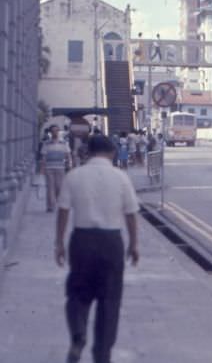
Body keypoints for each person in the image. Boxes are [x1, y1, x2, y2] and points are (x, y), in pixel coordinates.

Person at [55, 134, 139, 363]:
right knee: (109, 301)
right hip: (111, 243)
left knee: (77, 293)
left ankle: (78, 332)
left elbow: (63, 210)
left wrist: (58, 244)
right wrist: (134, 244)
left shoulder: (74, 176)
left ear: (88, 152)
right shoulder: (121, 178)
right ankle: (102, 355)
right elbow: (131, 214)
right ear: (111, 153)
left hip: (81, 241)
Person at [40, 125, 72, 212]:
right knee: (50, 187)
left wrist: (69, 165)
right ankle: (50, 206)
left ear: (58, 132)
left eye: (56, 131)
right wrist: (42, 169)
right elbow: (43, 156)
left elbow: (68, 155)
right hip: (49, 168)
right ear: (51, 132)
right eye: (53, 131)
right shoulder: (46, 143)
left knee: (59, 187)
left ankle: (56, 200)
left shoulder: (64, 143)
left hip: (60, 167)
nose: (55, 132)